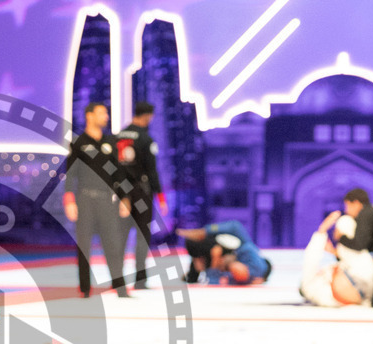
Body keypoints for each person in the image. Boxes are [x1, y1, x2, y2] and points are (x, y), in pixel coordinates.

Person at [63, 102, 129, 298]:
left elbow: (118, 173)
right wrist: (69, 199)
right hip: (85, 200)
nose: (106, 116)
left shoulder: (110, 142)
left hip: (106, 201)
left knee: (113, 245)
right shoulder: (79, 142)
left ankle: (121, 288)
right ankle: (85, 289)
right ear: (89, 116)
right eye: (101, 113)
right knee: (84, 246)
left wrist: (125, 198)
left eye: (106, 113)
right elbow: (70, 172)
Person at [116, 101, 167, 289]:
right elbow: (152, 170)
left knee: (120, 235)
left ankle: (118, 278)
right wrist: (160, 195)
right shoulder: (146, 139)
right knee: (142, 235)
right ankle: (140, 279)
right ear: (148, 115)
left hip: (121, 192)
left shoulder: (119, 135)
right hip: (141, 192)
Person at [299, 211, 373, 306]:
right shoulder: (309, 284)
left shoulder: (313, 287)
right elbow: (311, 259)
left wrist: (323, 232)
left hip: (352, 293)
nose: (334, 233)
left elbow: (311, 259)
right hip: (351, 290)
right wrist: (322, 230)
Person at [178, 220, 271, 285]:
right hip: (228, 249)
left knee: (192, 245)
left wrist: (215, 259)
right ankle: (204, 232)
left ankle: (194, 271)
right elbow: (236, 228)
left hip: (217, 259)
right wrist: (207, 230)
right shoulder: (252, 259)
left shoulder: (231, 279)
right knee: (194, 242)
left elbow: (213, 280)